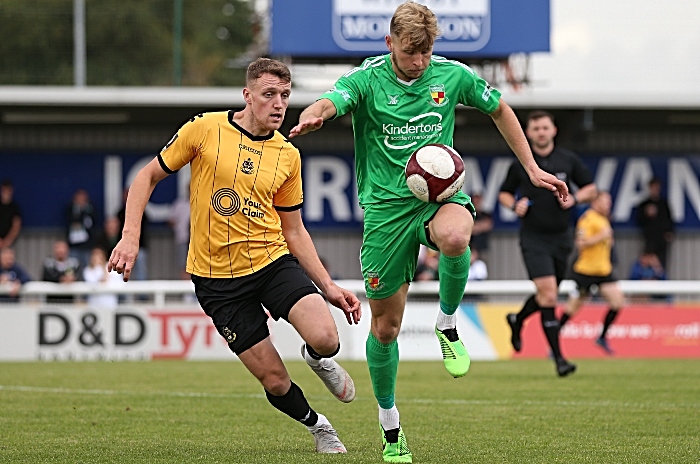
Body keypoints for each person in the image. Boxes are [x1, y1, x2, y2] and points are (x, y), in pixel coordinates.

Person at [289, 4, 568, 461]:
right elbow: (332, 99)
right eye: (410, 51)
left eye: (426, 51)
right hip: (385, 213)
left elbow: (500, 108)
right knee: (386, 328)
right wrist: (317, 114)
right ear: (389, 44)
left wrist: (532, 169)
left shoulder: (452, 76)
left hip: (440, 198)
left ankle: (447, 323)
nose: (419, 61)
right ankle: (390, 426)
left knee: (458, 236)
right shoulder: (368, 79)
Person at [108, 58, 361, 454]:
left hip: (270, 262)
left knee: (327, 339)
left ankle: (317, 359)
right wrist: (129, 236)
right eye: (268, 95)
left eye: (285, 96)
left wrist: (327, 285)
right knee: (275, 381)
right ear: (247, 95)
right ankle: (319, 426)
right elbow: (147, 176)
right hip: (217, 283)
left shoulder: (287, 155)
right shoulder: (205, 129)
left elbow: (293, 230)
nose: (278, 104)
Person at [499, 110, 597, 377]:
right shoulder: (521, 163)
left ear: (553, 130)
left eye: (545, 127)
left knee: (547, 294)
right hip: (533, 237)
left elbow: (591, 188)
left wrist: (576, 199)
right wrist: (514, 205)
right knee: (550, 294)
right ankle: (559, 360)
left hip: (562, 237)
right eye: (535, 129)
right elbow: (504, 194)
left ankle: (518, 320)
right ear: (528, 133)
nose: (540, 132)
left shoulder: (568, 159)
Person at [559, 192, 624, 355]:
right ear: (595, 202)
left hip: (603, 271)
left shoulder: (604, 219)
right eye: (604, 201)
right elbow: (581, 243)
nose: (608, 204)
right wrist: (600, 236)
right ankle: (553, 339)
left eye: (609, 201)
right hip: (585, 272)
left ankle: (602, 336)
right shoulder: (587, 219)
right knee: (572, 308)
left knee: (618, 302)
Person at [636, 177, 674, 269]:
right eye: (653, 187)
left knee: (662, 262)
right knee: (649, 260)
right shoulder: (644, 204)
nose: (655, 189)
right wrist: (646, 213)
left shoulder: (663, 204)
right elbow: (639, 220)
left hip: (662, 238)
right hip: (650, 237)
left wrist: (670, 232)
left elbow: (669, 219)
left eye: (657, 187)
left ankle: (662, 279)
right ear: (649, 188)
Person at [117, 188, 150, 281]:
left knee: (141, 273)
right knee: (123, 272)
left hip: (140, 247)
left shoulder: (142, 212)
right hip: (125, 249)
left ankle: (142, 295)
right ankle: (124, 295)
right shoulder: (120, 213)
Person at [65, 188, 98, 270]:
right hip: (73, 244)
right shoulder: (70, 209)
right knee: (73, 266)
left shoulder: (90, 209)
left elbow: (91, 223)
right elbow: (70, 220)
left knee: (86, 266)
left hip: (87, 245)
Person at [168, 191, 191, 280]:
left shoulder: (203, 203)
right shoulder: (180, 205)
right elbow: (170, 220)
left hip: (199, 242)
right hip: (183, 238)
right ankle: (187, 292)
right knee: (183, 265)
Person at [468, 193, 493, 261]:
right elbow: (468, 228)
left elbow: (488, 225)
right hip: (471, 248)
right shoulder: (468, 214)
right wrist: (480, 226)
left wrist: (475, 226)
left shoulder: (485, 214)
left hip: (483, 247)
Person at [0, 179, 22, 251]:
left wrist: (7, 242)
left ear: (11, 191)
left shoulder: (14, 208)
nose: (6, 193)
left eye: (8, 190)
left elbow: (16, 226)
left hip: (9, 244)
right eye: (4, 190)